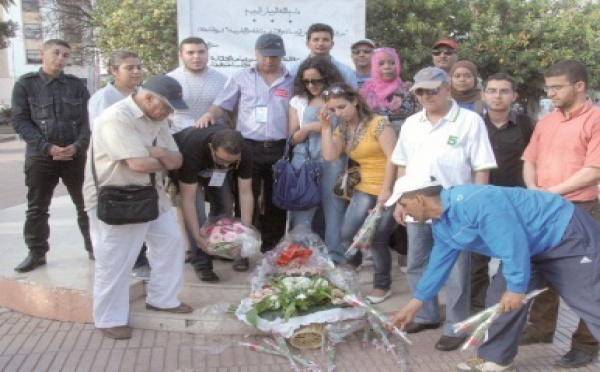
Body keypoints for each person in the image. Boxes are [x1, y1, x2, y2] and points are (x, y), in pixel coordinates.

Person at [386, 176, 600, 372]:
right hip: (528, 246)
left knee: (590, 300)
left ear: (420, 199)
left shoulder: (475, 201)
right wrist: (414, 305)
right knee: (499, 300)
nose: (402, 213)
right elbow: (438, 266)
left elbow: (512, 242)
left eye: (403, 205)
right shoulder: (443, 225)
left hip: (563, 233)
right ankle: (496, 360)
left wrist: (516, 288)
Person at [391, 67, 497, 351]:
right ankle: (425, 314)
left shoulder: (469, 120)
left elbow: (481, 166)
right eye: (420, 91)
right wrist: (400, 201)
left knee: (456, 271)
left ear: (447, 89)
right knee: (416, 262)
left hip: (454, 209)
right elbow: (402, 164)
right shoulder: (412, 122)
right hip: (416, 204)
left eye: (432, 90)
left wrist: (477, 206)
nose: (426, 96)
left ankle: (456, 324)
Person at [84, 75, 192, 339]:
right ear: (148, 98)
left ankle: (163, 298)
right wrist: (158, 157)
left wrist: (153, 152)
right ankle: (109, 319)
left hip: (151, 194)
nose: (169, 113)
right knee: (116, 260)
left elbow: (177, 159)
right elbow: (138, 165)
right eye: (166, 107)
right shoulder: (115, 118)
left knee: (171, 242)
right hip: (117, 198)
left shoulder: (158, 118)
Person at [521, 59, 600, 368]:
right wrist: (533, 191)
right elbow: (530, 158)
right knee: (541, 268)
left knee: (586, 279)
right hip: (543, 208)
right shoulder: (546, 121)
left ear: (579, 86)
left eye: (556, 87)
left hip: (580, 208)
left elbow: (593, 170)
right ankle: (540, 329)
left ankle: (586, 343)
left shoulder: (595, 119)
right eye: (548, 87)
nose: (550, 93)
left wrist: (550, 193)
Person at [197, 33, 294, 252]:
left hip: (279, 148)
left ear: (282, 56)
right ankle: (242, 248)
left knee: (276, 201)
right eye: (265, 56)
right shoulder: (241, 77)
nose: (270, 61)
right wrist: (208, 115)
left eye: (275, 57)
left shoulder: (291, 79)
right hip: (247, 147)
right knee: (244, 199)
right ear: (256, 53)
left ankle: (271, 248)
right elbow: (223, 104)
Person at [12, 39, 92, 272]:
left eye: (65, 55)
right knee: (37, 208)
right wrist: (47, 147)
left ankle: (94, 248)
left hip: (75, 156)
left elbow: (88, 121)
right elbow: (21, 121)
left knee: (86, 205)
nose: (60, 59)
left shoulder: (77, 86)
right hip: (40, 157)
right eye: (56, 53)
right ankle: (36, 253)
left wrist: (77, 146)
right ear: (42, 54)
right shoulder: (25, 85)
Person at [320, 82, 398, 304]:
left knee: (379, 238)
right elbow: (330, 156)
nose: (338, 113)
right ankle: (353, 265)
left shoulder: (379, 124)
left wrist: (386, 190)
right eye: (333, 109)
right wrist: (325, 127)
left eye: (342, 107)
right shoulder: (342, 129)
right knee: (347, 234)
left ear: (355, 101)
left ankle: (382, 285)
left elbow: (394, 158)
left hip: (390, 187)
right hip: (364, 187)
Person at [468, 73, 534, 314]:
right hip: (481, 202)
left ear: (514, 96)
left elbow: (534, 159)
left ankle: (507, 309)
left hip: (515, 202)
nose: (497, 96)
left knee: (513, 257)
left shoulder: (526, 124)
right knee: (476, 260)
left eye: (504, 91)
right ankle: (478, 309)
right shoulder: (473, 124)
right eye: (492, 90)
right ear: (483, 95)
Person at [88, 50, 152, 280]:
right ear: (113, 71)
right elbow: (104, 138)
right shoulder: (104, 99)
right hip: (112, 174)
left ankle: (138, 260)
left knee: (138, 220)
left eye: (138, 67)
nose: (136, 72)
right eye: (129, 67)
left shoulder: (143, 95)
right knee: (113, 236)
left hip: (138, 171)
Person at [171, 126, 254, 281]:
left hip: (214, 173)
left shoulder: (245, 151)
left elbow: (245, 193)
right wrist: (197, 236)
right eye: (222, 160)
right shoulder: (192, 149)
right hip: (186, 165)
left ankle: (220, 247)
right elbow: (188, 201)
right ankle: (202, 263)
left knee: (225, 205)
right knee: (198, 213)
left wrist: (245, 231)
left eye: (232, 163)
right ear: (211, 148)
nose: (226, 166)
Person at [288, 56, 346, 263]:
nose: (311, 85)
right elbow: (292, 138)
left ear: (327, 79)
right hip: (304, 159)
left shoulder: (339, 100)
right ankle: (299, 255)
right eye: (306, 81)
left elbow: (347, 129)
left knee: (334, 210)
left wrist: (325, 127)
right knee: (302, 210)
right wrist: (307, 128)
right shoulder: (298, 101)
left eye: (317, 81)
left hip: (333, 160)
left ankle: (334, 256)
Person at [167, 37, 228, 133]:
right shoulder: (169, 80)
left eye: (201, 52)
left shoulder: (223, 81)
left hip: (213, 137)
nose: (196, 56)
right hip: (179, 136)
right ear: (181, 56)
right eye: (190, 53)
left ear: (207, 54)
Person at [361, 47, 418, 133]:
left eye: (392, 63)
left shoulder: (408, 91)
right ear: (374, 66)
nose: (387, 67)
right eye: (381, 63)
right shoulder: (366, 92)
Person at [287, 23, 358, 88]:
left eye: (325, 40)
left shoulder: (346, 72)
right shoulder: (292, 70)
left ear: (332, 44)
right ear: (307, 44)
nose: (321, 43)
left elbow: (353, 97)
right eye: (316, 40)